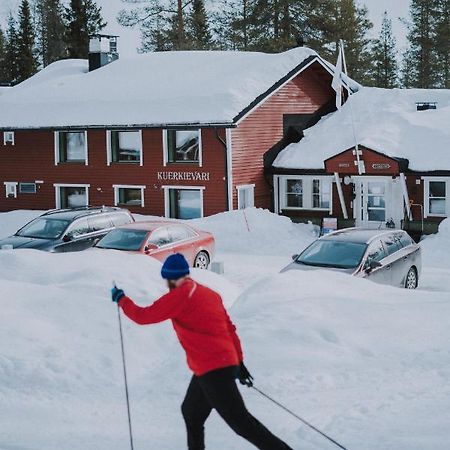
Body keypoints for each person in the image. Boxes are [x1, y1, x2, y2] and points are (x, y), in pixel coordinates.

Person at [111, 253, 293, 450]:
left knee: (241, 422)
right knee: (191, 412)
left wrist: (122, 299)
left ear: (171, 278)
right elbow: (229, 328)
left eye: (167, 280)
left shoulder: (180, 296)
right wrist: (238, 363)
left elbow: (143, 316)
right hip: (215, 365)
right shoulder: (209, 293)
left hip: (212, 368)